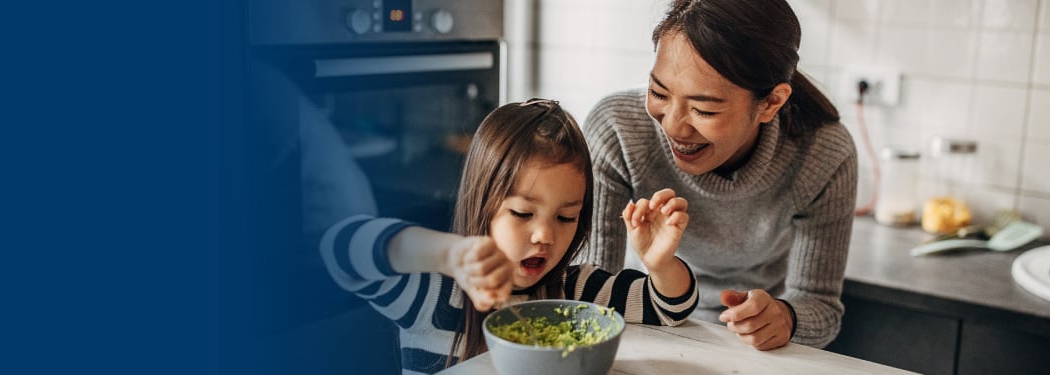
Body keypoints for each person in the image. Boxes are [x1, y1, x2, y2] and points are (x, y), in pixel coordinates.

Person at [319, 99, 700, 374]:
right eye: (522, 213)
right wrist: (446, 254)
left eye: (567, 217)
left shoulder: (576, 292)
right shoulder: (432, 294)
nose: (544, 235)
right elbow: (340, 250)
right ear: (483, 202)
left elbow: (668, 307)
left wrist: (660, 263)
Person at [578, 0, 856, 351]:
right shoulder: (617, 131)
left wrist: (784, 318)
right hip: (647, 320)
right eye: (658, 93)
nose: (674, 126)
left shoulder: (823, 152)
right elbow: (588, 292)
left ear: (771, 102)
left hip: (755, 348)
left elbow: (820, 307)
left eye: (703, 109)